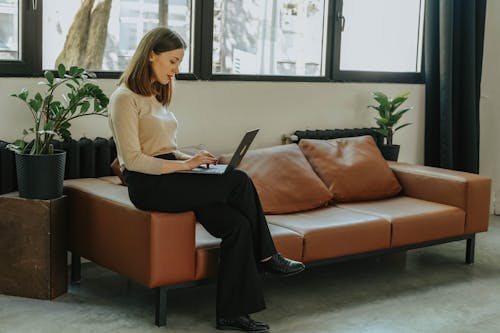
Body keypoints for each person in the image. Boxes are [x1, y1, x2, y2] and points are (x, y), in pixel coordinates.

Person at [108, 27, 305, 333]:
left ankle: (232, 314)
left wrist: (194, 162)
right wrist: (186, 165)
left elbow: (165, 148)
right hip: (149, 185)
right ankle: (267, 256)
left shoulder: (156, 95)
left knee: (237, 225)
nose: (176, 70)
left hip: (173, 176)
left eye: (179, 62)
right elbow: (133, 160)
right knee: (238, 180)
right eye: (172, 61)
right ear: (151, 55)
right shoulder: (124, 98)